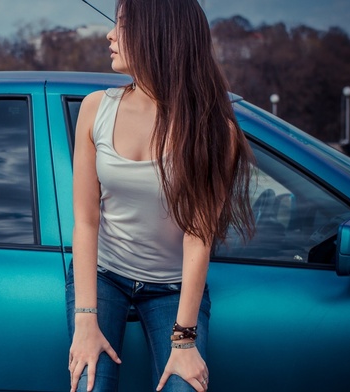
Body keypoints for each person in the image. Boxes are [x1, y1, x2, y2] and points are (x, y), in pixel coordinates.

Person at [66, 1, 255, 391]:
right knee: (90, 383)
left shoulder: (215, 130)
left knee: (185, 386)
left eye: (121, 26)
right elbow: (86, 221)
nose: (109, 34)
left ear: (158, 36)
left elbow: (198, 237)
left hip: (171, 288)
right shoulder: (96, 109)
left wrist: (184, 339)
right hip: (104, 277)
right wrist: (85, 320)